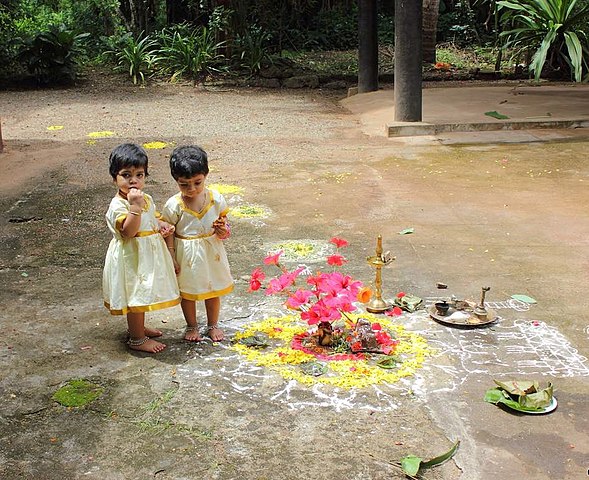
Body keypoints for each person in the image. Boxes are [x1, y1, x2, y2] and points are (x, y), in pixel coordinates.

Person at [102, 143, 181, 353]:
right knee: (135, 294)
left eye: (139, 174)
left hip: (146, 256)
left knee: (143, 293)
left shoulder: (146, 198)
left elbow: (151, 218)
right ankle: (136, 339)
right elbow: (129, 232)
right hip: (131, 258)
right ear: (114, 178)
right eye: (126, 175)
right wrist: (134, 208)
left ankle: (138, 326)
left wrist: (162, 225)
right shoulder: (119, 205)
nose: (133, 180)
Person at [162, 145, 233, 342]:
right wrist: (171, 256)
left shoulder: (215, 199)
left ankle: (213, 324)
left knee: (213, 289)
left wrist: (223, 231)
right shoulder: (174, 205)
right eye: (185, 184)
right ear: (176, 180)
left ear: (206, 175)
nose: (191, 189)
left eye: (197, 183)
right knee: (188, 292)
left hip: (212, 251)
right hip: (187, 254)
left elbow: (225, 224)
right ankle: (191, 325)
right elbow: (168, 231)